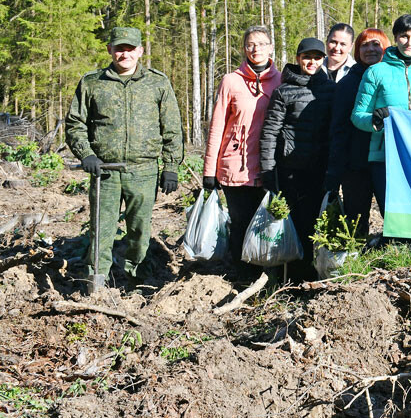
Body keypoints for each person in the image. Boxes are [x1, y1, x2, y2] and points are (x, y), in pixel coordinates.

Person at [66, 27, 183, 294]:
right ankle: (94, 285)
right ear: (110, 50)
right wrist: (87, 154)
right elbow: (75, 123)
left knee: (140, 232)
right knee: (101, 230)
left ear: (140, 51)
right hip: (104, 172)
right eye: (119, 48)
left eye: (130, 49)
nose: (124, 54)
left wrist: (171, 167)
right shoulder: (92, 82)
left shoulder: (157, 83)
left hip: (143, 171)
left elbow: (172, 128)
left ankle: (138, 282)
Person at [202, 25, 283, 274]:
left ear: (271, 47)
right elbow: (216, 126)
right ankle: (239, 273)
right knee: (240, 222)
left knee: (268, 222)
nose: (255, 48)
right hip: (235, 165)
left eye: (261, 43)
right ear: (244, 49)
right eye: (250, 44)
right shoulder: (231, 81)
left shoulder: (281, 80)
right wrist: (209, 169)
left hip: (270, 166)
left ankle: (267, 271)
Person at [259, 38, 335, 279]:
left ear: (323, 60)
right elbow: (270, 131)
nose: (311, 62)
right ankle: (287, 276)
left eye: (317, 57)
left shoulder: (331, 90)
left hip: (320, 169)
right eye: (306, 57)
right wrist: (268, 170)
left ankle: (312, 274)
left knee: (315, 222)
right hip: (290, 170)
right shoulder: (284, 91)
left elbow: (336, 130)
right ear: (298, 58)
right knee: (290, 222)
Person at [352, 15, 411, 205]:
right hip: (384, 156)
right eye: (404, 36)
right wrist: (376, 121)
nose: (409, 42)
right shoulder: (376, 72)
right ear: (395, 38)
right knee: (392, 215)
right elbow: (357, 115)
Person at [325, 28, 390, 240]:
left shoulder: (393, 78)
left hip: (388, 161)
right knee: (355, 221)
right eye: (364, 45)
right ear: (357, 50)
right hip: (356, 165)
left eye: (376, 44)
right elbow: (338, 129)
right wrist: (336, 169)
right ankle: (355, 261)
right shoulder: (348, 84)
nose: (370, 49)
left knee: (391, 216)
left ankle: (393, 256)